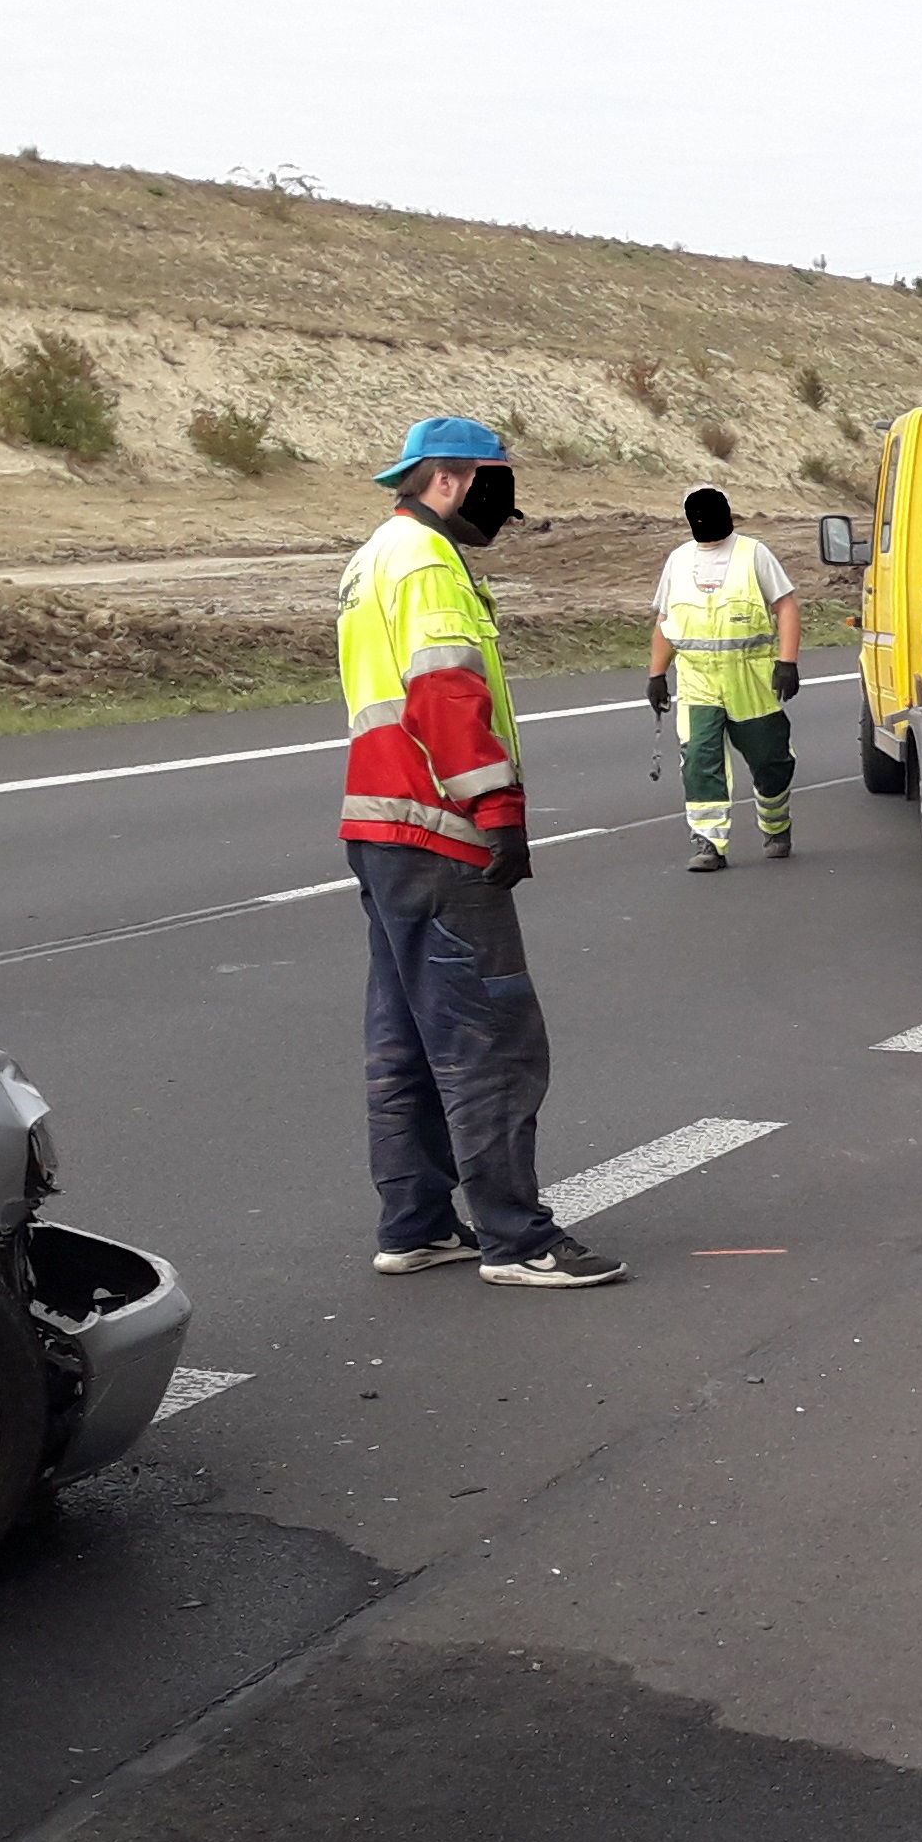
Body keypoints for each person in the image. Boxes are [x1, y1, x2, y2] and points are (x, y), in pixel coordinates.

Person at [337, 416, 621, 1290]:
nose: (503, 515)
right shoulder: (428, 565)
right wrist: (496, 808)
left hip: (380, 827)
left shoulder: (373, 556)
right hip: (436, 830)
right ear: (455, 481)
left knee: (408, 1041)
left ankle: (417, 1223)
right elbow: (444, 692)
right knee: (489, 1038)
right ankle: (516, 1238)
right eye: (496, 493)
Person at [645, 486, 804, 869]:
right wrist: (657, 674)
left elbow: (785, 606)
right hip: (698, 681)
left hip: (751, 680)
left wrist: (788, 662)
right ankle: (708, 843)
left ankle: (775, 823)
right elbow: (667, 621)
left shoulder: (754, 554)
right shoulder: (679, 561)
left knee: (770, 762)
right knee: (700, 758)